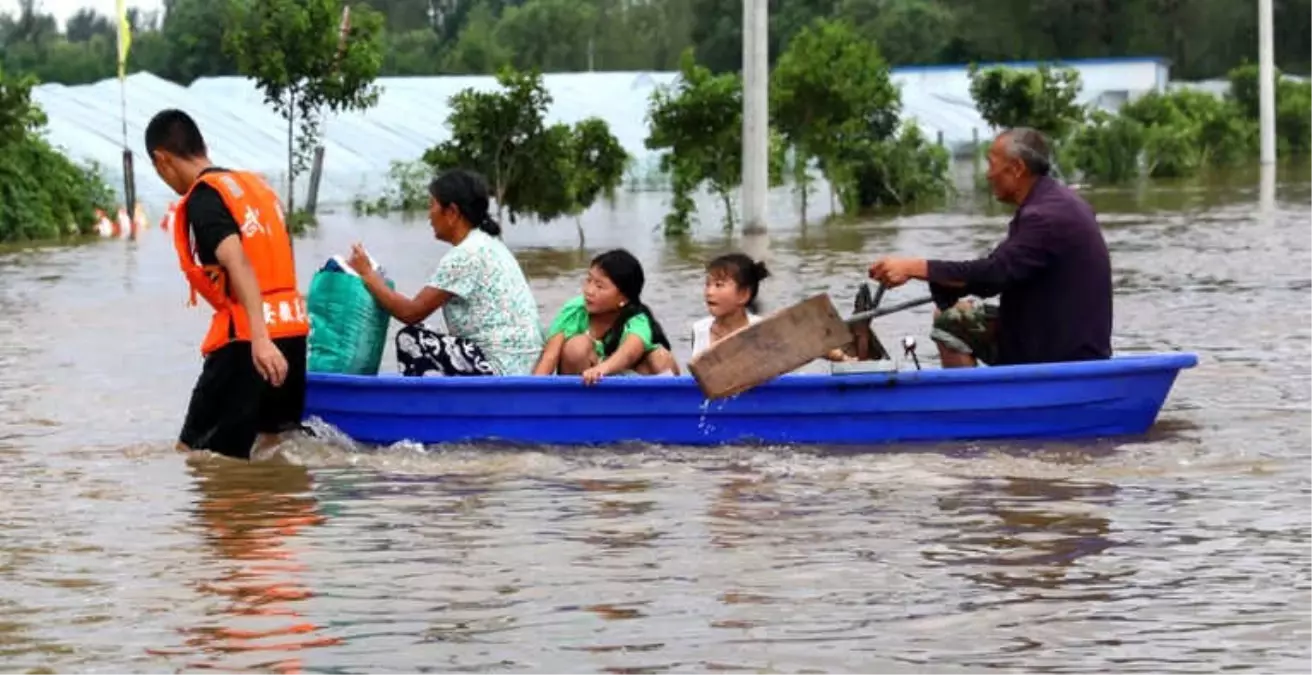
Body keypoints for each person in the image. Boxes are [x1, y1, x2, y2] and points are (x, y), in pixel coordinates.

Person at [868, 126, 1112, 368]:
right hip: (1062, 336)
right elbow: (999, 269)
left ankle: (975, 403)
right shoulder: (1056, 202)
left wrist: (914, 267)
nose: (988, 174)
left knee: (948, 323)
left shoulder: (1043, 217)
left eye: (992, 164)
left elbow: (994, 274)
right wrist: (946, 287)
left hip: (1059, 352)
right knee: (947, 314)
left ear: (1017, 168)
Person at [146, 108, 308, 461]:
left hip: (249, 342)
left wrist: (261, 339)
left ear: (162, 160)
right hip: (292, 331)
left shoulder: (206, 197)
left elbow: (238, 262)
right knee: (274, 449)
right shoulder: (256, 188)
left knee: (196, 456)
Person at [348, 169, 544, 376]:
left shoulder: (465, 255)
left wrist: (368, 274)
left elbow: (410, 312)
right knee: (431, 332)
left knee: (411, 339)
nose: (429, 215)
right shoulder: (489, 244)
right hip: (524, 364)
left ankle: (430, 406)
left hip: (499, 367)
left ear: (451, 212)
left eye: (432, 205)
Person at [533, 249, 679, 385]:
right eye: (589, 280)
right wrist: (530, 394)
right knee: (577, 346)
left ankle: (670, 408)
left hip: (619, 380)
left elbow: (630, 350)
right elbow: (549, 357)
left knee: (661, 357)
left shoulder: (637, 317)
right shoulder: (575, 310)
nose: (589, 291)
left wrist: (602, 369)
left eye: (599, 286)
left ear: (624, 298)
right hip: (582, 385)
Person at [690, 252, 853, 363]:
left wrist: (842, 358)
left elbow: (803, 343)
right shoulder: (699, 330)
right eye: (707, 285)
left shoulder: (762, 328)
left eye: (719, 285)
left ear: (743, 295)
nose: (709, 292)